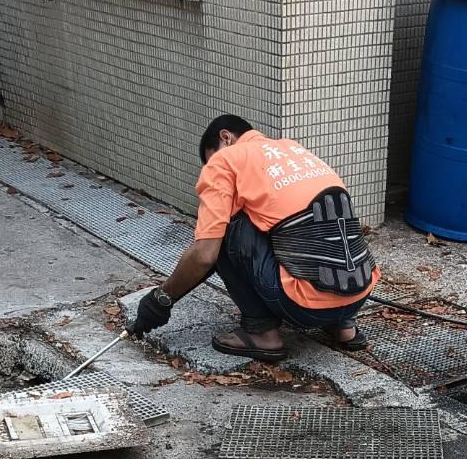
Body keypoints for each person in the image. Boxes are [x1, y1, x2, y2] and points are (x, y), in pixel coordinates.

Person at [130, 115, 379, 363]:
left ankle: (262, 332)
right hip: (359, 294)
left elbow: (205, 255)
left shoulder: (225, 160)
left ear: (225, 138)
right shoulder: (293, 149)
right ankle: (343, 327)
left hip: (303, 306)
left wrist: (161, 299)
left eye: (210, 158)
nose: (210, 166)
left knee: (222, 228)